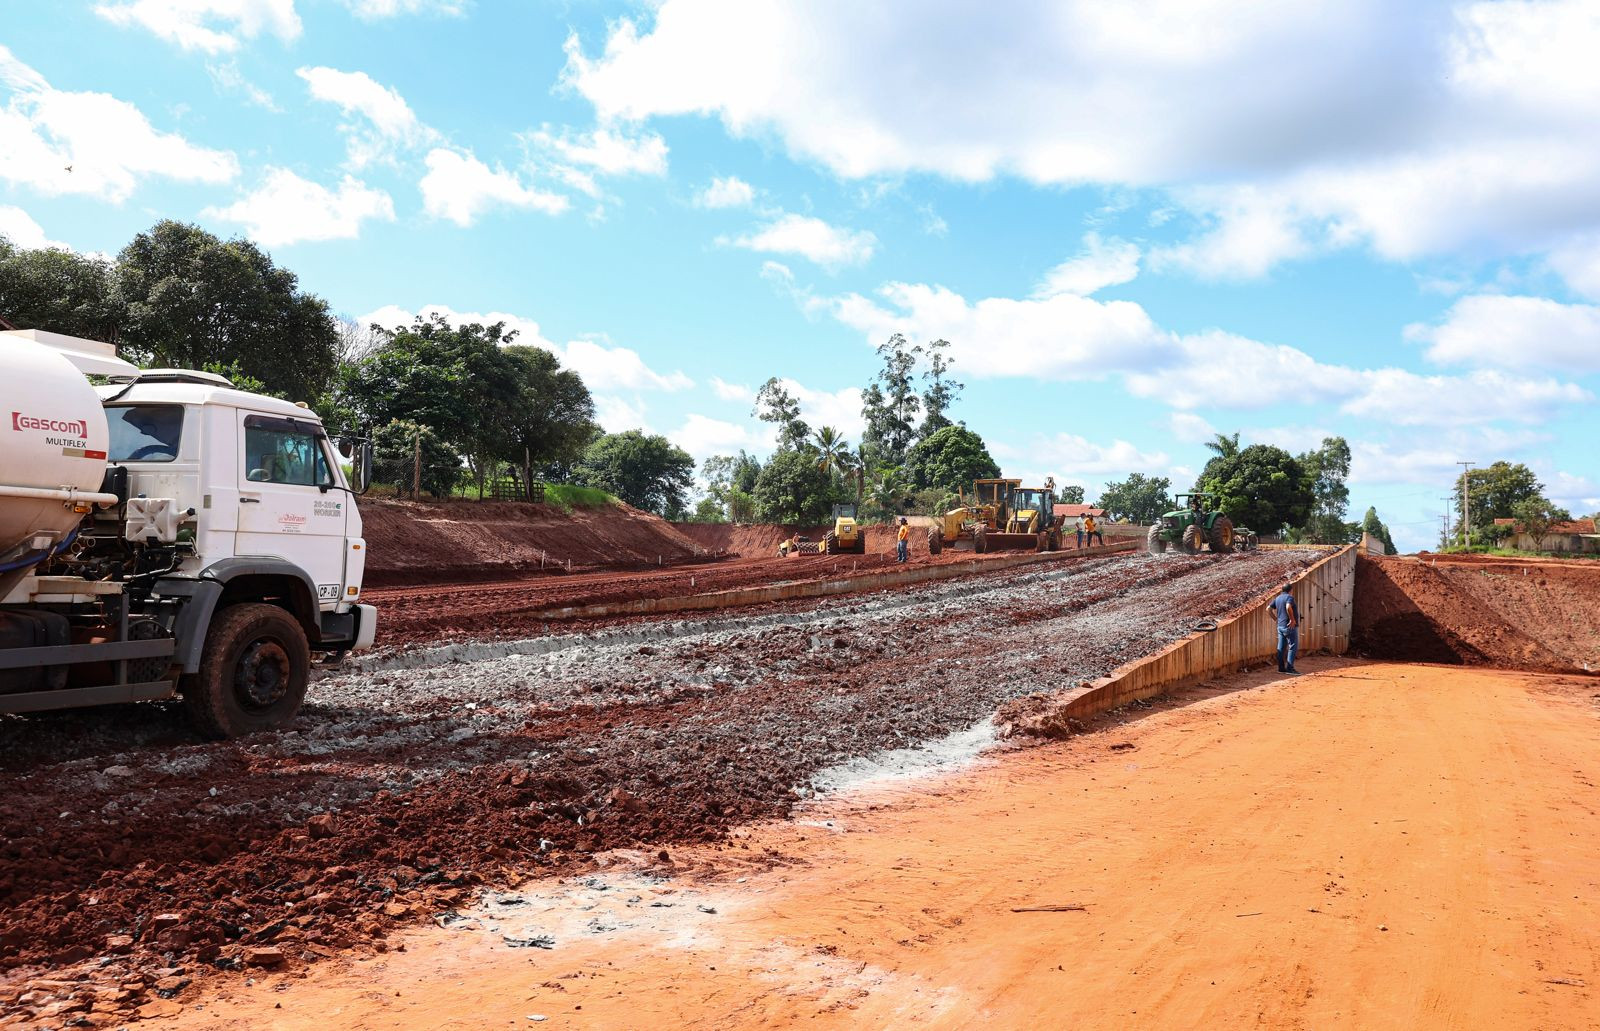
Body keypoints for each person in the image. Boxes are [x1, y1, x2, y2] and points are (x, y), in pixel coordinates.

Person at [1269, 583, 1300, 674]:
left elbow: (1268, 609)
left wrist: (1275, 619)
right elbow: (1288, 606)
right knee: (1292, 646)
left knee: (1281, 647)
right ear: (1290, 590)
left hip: (1280, 627)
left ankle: (1281, 668)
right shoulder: (1289, 597)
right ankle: (1290, 669)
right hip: (1289, 626)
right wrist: (1292, 620)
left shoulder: (1278, 598)